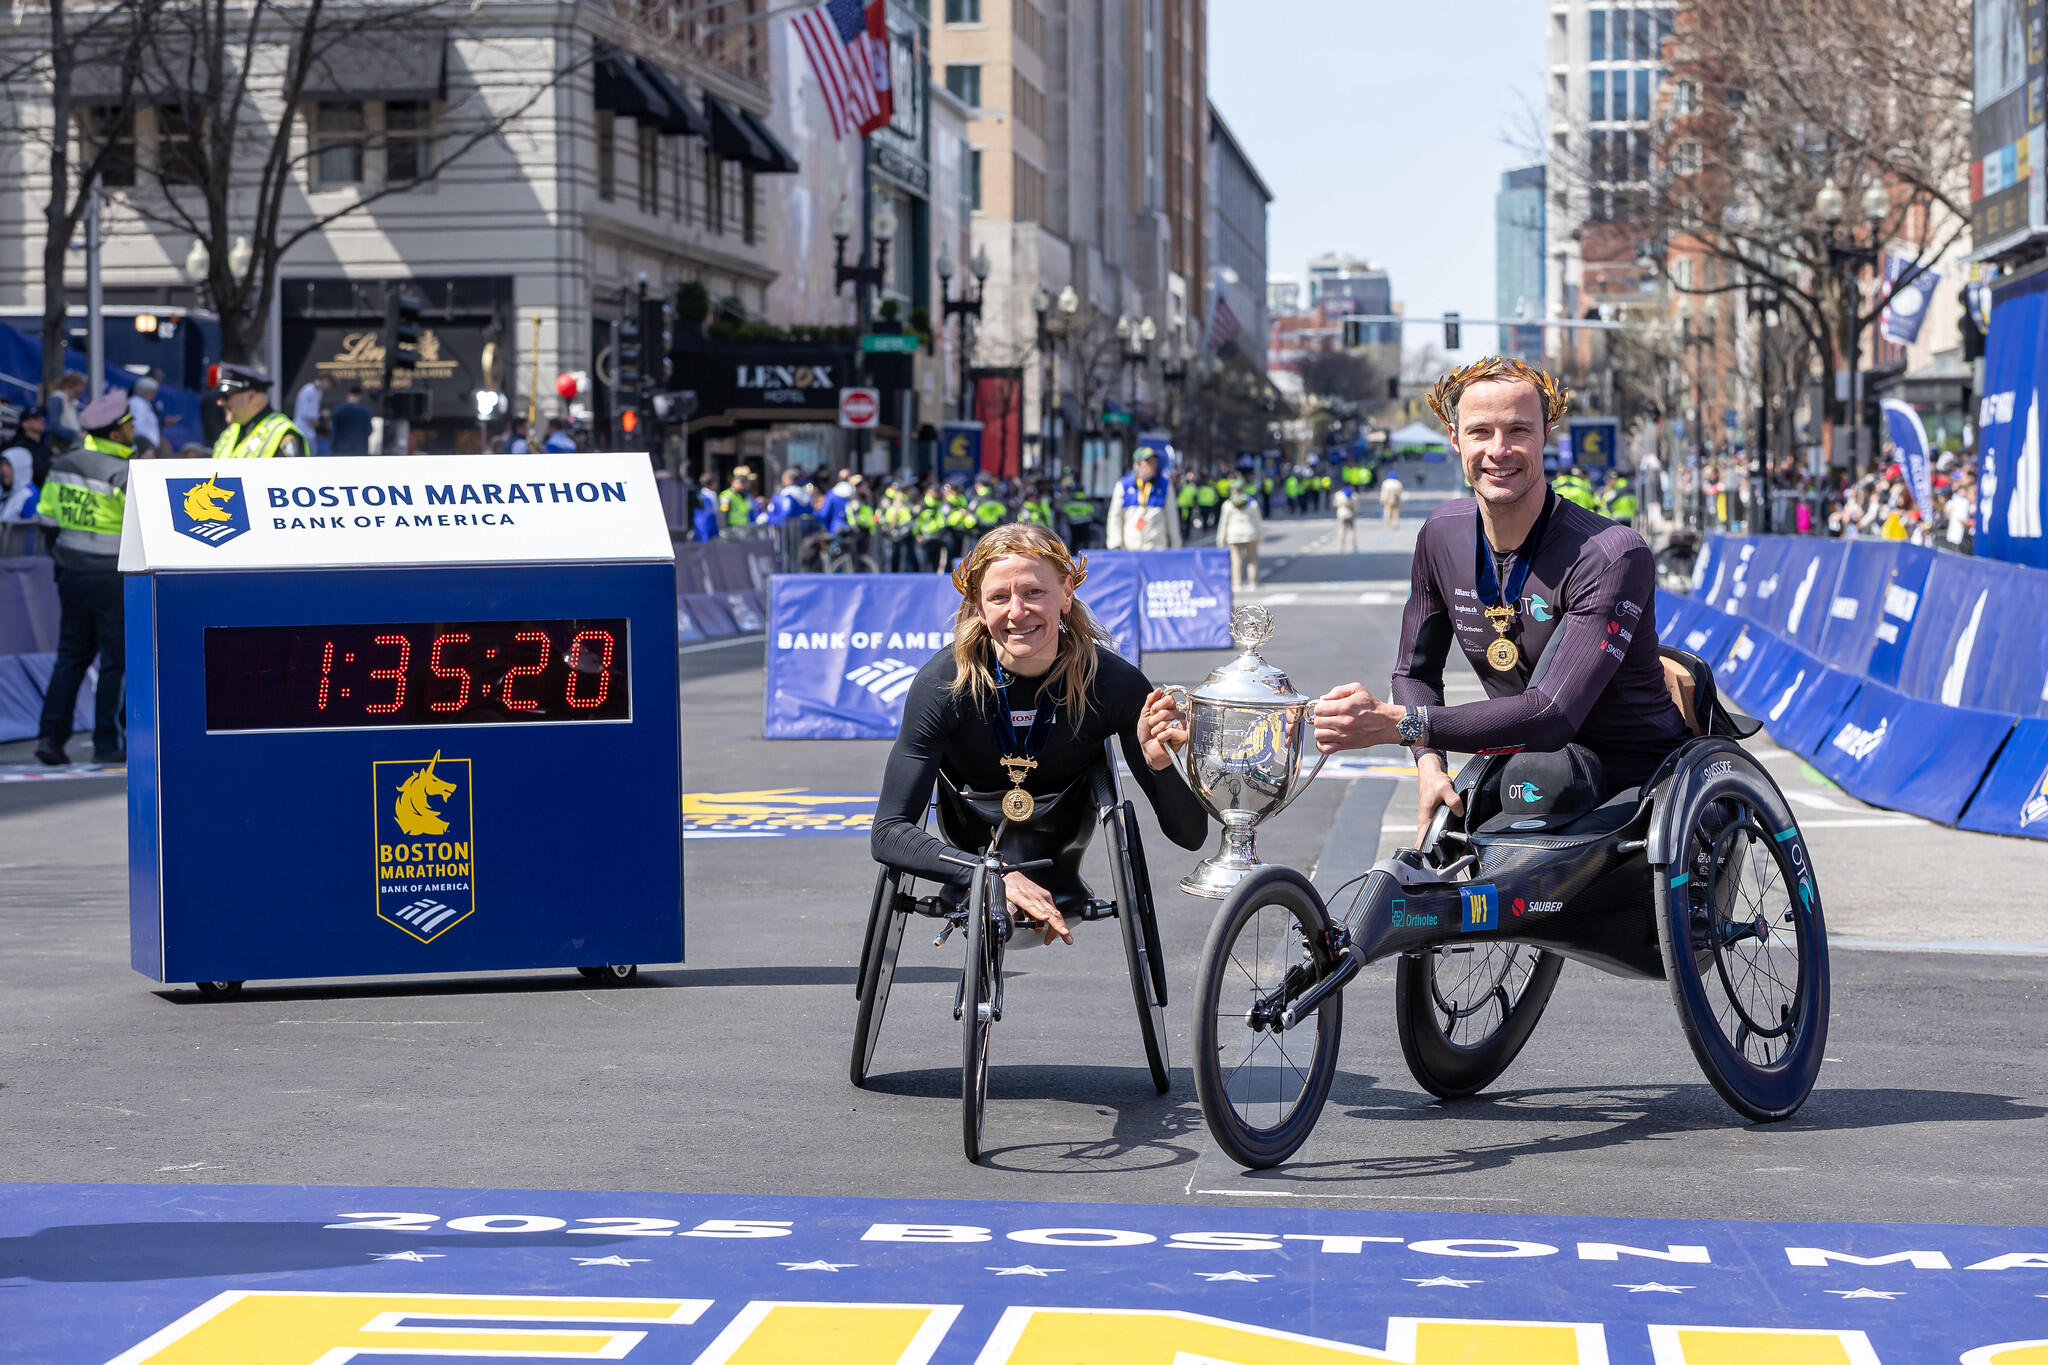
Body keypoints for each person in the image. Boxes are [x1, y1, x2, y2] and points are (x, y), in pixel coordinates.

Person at [1308, 356, 1690, 845]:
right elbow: (1415, 673)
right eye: (1480, 432)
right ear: (1454, 437)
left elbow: (1551, 716)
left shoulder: (1613, 554)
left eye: (1518, 430)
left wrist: (1395, 724)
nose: (1499, 450)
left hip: (1639, 784)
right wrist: (1429, 765)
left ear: (1547, 433)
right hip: (1531, 768)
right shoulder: (1440, 535)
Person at [870, 523, 1209, 947]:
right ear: (977, 605)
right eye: (998, 597)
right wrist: (989, 875)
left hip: (1060, 859)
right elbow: (887, 832)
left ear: (1067, 594)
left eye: (1034, 592)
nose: (1016, 612)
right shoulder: (942, 685)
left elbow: (1191, 836)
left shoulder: (1113, 684)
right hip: (966, 860)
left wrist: (1160, 765)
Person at [34, 391, 135, 765]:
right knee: (117, 662)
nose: (133, 429)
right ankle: (108, 742)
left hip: (72, 575)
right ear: (115, 431)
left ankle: (50, 737)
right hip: (112, 576)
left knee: (71, 658)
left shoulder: (64, 464)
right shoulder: (124, 472)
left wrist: (63, 561)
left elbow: (46, 518)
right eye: (128, 425)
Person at [211, 363, 309, 458]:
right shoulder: (230, 432)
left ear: (251, 397)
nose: (220, 402)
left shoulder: (284, 434)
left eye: (226, 395)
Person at [1105, 446, 1180, 550]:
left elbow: (1172, 517)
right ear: (1137, 465)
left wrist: (1176, 546)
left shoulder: (1165, 485)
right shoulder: (1123, 485)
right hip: (1130, 550)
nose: (1153, 465)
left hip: (1156, 549)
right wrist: (1114, 544)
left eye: (1154, 462)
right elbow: (1115, 516)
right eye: (1148, 462)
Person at [1216, 479, 1264, 589]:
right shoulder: (1252, 503)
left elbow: (1223, 523)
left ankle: (1237, 583)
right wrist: (1260, 535)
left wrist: (1221, 539)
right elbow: (1257, 521)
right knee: (1252, 559)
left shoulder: (1228, 504)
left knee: (1236, 560)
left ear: (1233, 490)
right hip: (1250, 534)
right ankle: (1253, 582)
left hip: (1233, 535)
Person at [44, 371, 85, 450]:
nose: (78, 395)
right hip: (59, 444)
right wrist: (75, 434)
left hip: (70, 443)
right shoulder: (57, 399)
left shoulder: (73, 402)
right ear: (67, 386)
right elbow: (54, 426)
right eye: (77, 392)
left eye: (80, 393)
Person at [330, 384, 375, 455]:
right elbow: (369, 430)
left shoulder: (339, 410)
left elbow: (334, 430)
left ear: (348, 394)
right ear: (360, 396)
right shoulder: (365, 411)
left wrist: (333, 447)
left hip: (341, 449)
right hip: (360, 448)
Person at [126, 374, 162, 457]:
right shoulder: (136, 403)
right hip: (141, 448)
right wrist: (144, 444)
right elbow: (136, 426)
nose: (154, 394)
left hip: (148, 447)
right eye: (153, 391)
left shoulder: (146, 403)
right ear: (146, 391)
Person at [1332, 482, 1358, 553]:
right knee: (1352, 531)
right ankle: (1354, 546)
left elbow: (1335, 504)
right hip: (1350, 513)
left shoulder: (1338, 495)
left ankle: (1341, 546)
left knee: (1342, 530)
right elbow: (1355, 506)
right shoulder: (1353, 495)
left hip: (1341, 513)